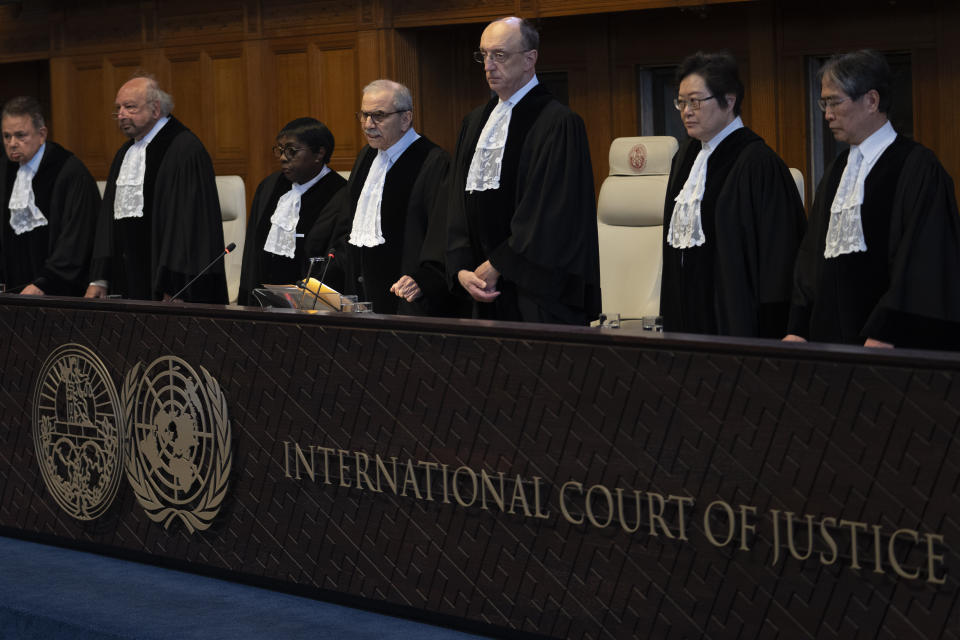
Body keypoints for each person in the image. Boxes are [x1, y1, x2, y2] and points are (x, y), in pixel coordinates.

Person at [785, 50, 960, 349]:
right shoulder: (838, 169)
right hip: (826, 344)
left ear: (872, 101)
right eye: (823, 103)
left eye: (835, 102)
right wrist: (798, 327)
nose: (827, 114)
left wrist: (887, 331)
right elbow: (811, 255)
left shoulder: (917, 167)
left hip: (888, 348)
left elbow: (924, 260)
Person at [446, 16, 600, 325]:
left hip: (534, 292)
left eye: (499, 55)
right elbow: (456, 203)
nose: (488, 65)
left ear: (530, 59)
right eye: (483, 55)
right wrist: (462, 268)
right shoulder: (475, 122)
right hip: (479, 285)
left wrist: (500, 265)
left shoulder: (558, 123)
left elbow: (551, 212)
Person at [660, 52, 806, 338]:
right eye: (681, 102)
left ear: (729, 100)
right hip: (684, 322)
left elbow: (780, 257)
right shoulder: (685, 158)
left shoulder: (758, 163)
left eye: (696, 101)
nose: (686, 111)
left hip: (737, 324)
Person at [310, 79, 456, 316]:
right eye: (364, 115)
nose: (368, 124)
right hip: (360, 293)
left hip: (407, 294)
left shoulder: (433, 161)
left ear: (406, 118)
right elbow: (350, 224)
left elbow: (441, 231)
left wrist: (426, 277)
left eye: (378, 115)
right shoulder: (366, 157)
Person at [86, 74, 227, 303]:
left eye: (129, 107)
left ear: (155, 109)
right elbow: (108, 222)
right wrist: (99, 278)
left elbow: (188, 227)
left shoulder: (184, 151)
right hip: (127, 282)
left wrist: (175, 285)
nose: (120, 115)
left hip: (170, 291)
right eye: (118, 108)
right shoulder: (126, 153)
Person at [237, 118, 347, 305]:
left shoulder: (341, 194)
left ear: (319, 153)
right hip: (264, 302)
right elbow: (253, 252)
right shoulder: (269, 187)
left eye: (291, 151)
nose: (283, 157)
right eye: (280, 150)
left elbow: (339, 261)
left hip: (312, 308)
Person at [0, 96, 100, 296]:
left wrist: (46, 282)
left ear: (42, 133)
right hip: (13, 291)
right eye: (6, 136)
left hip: (58, 291)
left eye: (20, 135)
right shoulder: (4, 170)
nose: (12, 143)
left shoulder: (69, 171)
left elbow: (78, 236)